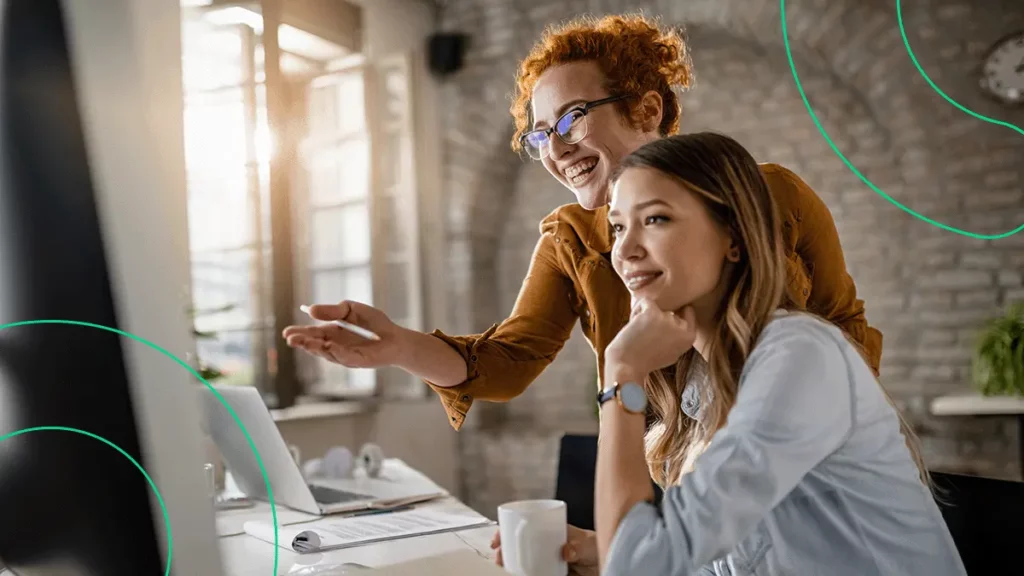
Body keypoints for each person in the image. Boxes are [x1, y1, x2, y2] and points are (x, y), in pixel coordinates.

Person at [282, 13, 882, 571]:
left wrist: (819, 438)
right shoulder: (570, 237)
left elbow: (844, 332)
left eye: (571, 118)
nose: (557, 148)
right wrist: (396, 348)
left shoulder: (767, 201)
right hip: (675, 483)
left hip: (798, 478)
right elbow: (508, 361)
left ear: (648, 109)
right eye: (541, 135)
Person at [592, 132, 964, 575]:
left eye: (655, 219)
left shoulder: (801, 356)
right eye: (618, 226)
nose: (625, 250)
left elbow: (635, 567)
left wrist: (623, 373)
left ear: (733, 237)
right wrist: (602, 553)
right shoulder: (702, 382)